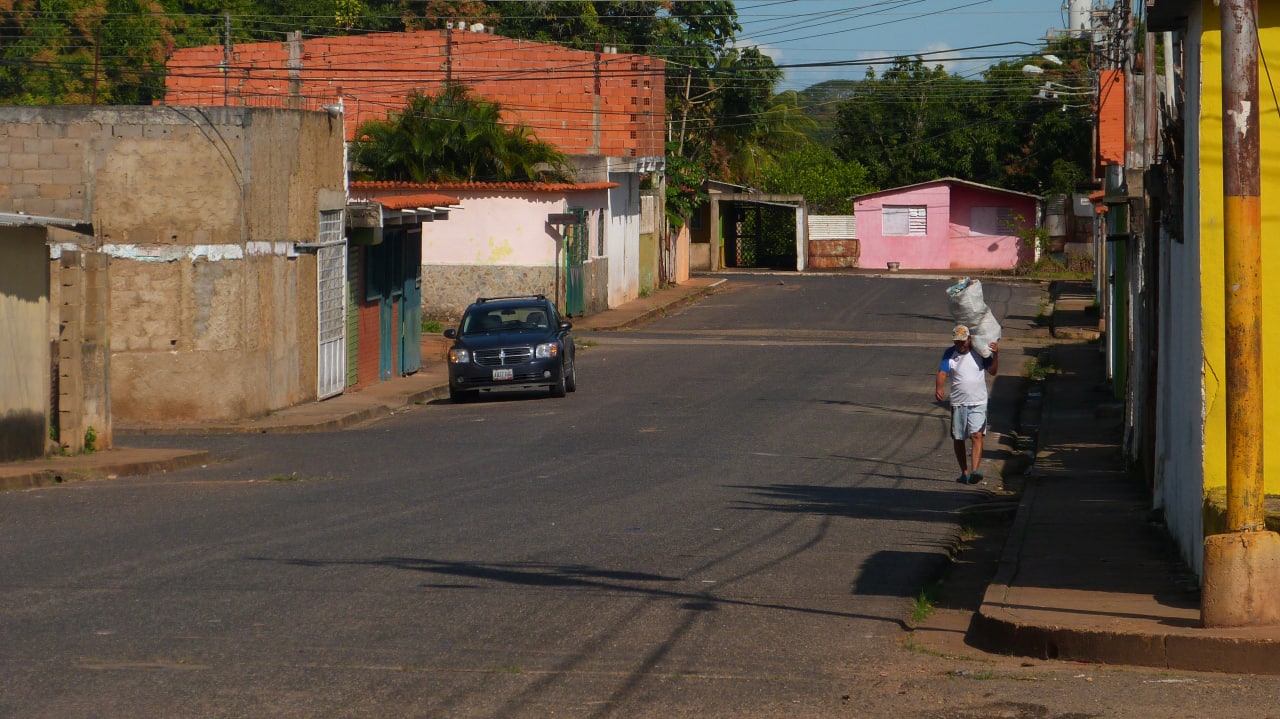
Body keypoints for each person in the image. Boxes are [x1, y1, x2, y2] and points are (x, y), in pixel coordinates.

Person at [934, 324, 999, 484]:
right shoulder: (950, 354)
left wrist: (996, 355)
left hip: (978, 401)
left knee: (976, 435)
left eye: (963, 341)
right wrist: (939, 387)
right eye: (957, 342)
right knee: (959, 437)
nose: (960, 345)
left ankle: (975, 470)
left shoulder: (980, 352)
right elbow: (943, 372)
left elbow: (992, 371)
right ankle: (964, 472)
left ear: (970, 339)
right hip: (958, 402)